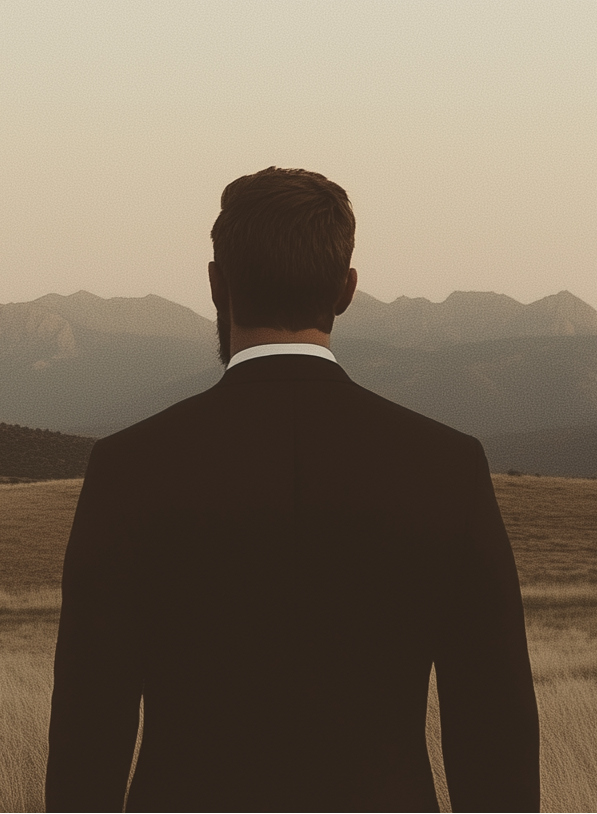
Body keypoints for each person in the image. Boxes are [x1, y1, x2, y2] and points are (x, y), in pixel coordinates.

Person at [46, 168, 539, 812]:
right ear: (347, 289)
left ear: (216, 284)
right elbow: (493, 725)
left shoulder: (127, 468)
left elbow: (90, 729)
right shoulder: (448, 465)